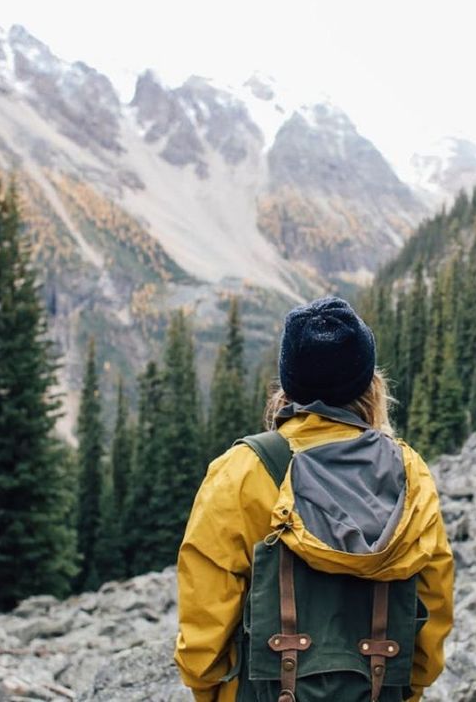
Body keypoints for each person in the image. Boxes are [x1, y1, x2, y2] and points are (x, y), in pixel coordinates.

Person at [174, 296, 455, 702]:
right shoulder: (410, 472)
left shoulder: (241, 470)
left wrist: (210, 691)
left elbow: (206, 612)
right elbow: (432, 600)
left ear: (287, 386)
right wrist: (410, 688)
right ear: (370, 384)